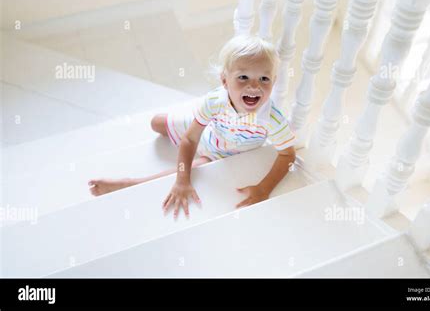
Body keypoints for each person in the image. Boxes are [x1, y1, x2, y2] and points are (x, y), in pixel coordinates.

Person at [88, 35, 296, 218]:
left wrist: (263, 189)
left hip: (222, 153)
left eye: (264, 79)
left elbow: (288, 155)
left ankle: (130, 183)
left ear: (274, 81)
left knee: (193, 168)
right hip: (208, 133)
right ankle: (198, 115)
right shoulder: (216, 100)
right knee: (156, 123)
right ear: (224, 81)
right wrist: (199, 126)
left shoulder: (272, 119)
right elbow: (190, 139)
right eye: (243, 77)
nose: (254, 86)